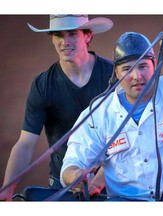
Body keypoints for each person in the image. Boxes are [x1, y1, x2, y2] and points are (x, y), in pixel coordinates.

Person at [60, 23, 163, 201]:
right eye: (127, 69)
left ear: (155, 65)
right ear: (116, 72)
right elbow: (73, 162)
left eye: (143, 66)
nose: (137, 76)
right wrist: (75, 176)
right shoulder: (98, 113)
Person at [0, 14, 113, 201]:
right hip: (63, 186)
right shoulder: (43, 85)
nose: (65, 42)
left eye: (72, 34)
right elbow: (26, 144)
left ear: (88, 36)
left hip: (111, 185)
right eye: (58, 35)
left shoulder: (114, 76)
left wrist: (100, 180)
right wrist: (7, 189)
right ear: (51, 38)